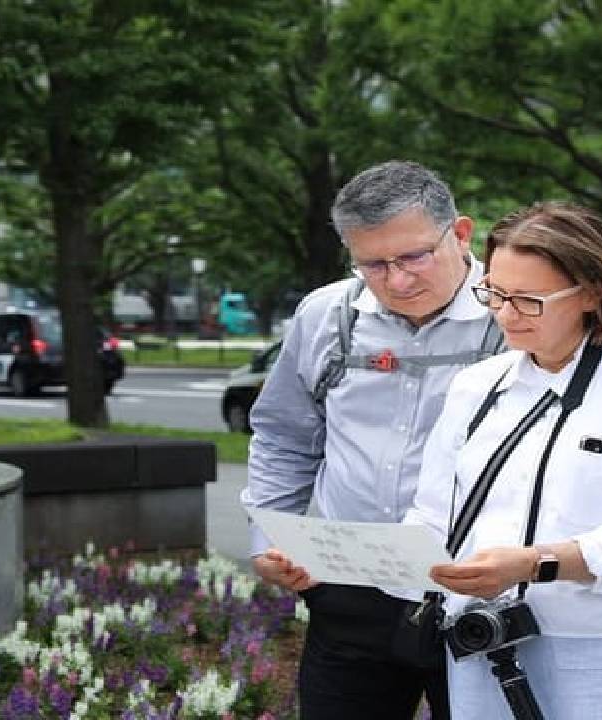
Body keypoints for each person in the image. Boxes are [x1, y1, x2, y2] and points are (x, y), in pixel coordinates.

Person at [405, 201, 602, 719]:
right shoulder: (476, 387)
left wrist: (533, 564)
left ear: (593, 292)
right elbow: (436, 516)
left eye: (528, 300)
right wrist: (340, 561)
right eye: (495, 294)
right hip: (486, 651)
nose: (504, 314)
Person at [240, 161, 502, 720]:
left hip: (476, 593)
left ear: (460, 233)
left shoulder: (509, 318)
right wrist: (267, 539)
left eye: (414, 257)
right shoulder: (326, 315)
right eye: (373, 264)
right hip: (348, 594)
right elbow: (284, 436)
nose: (397, 280)